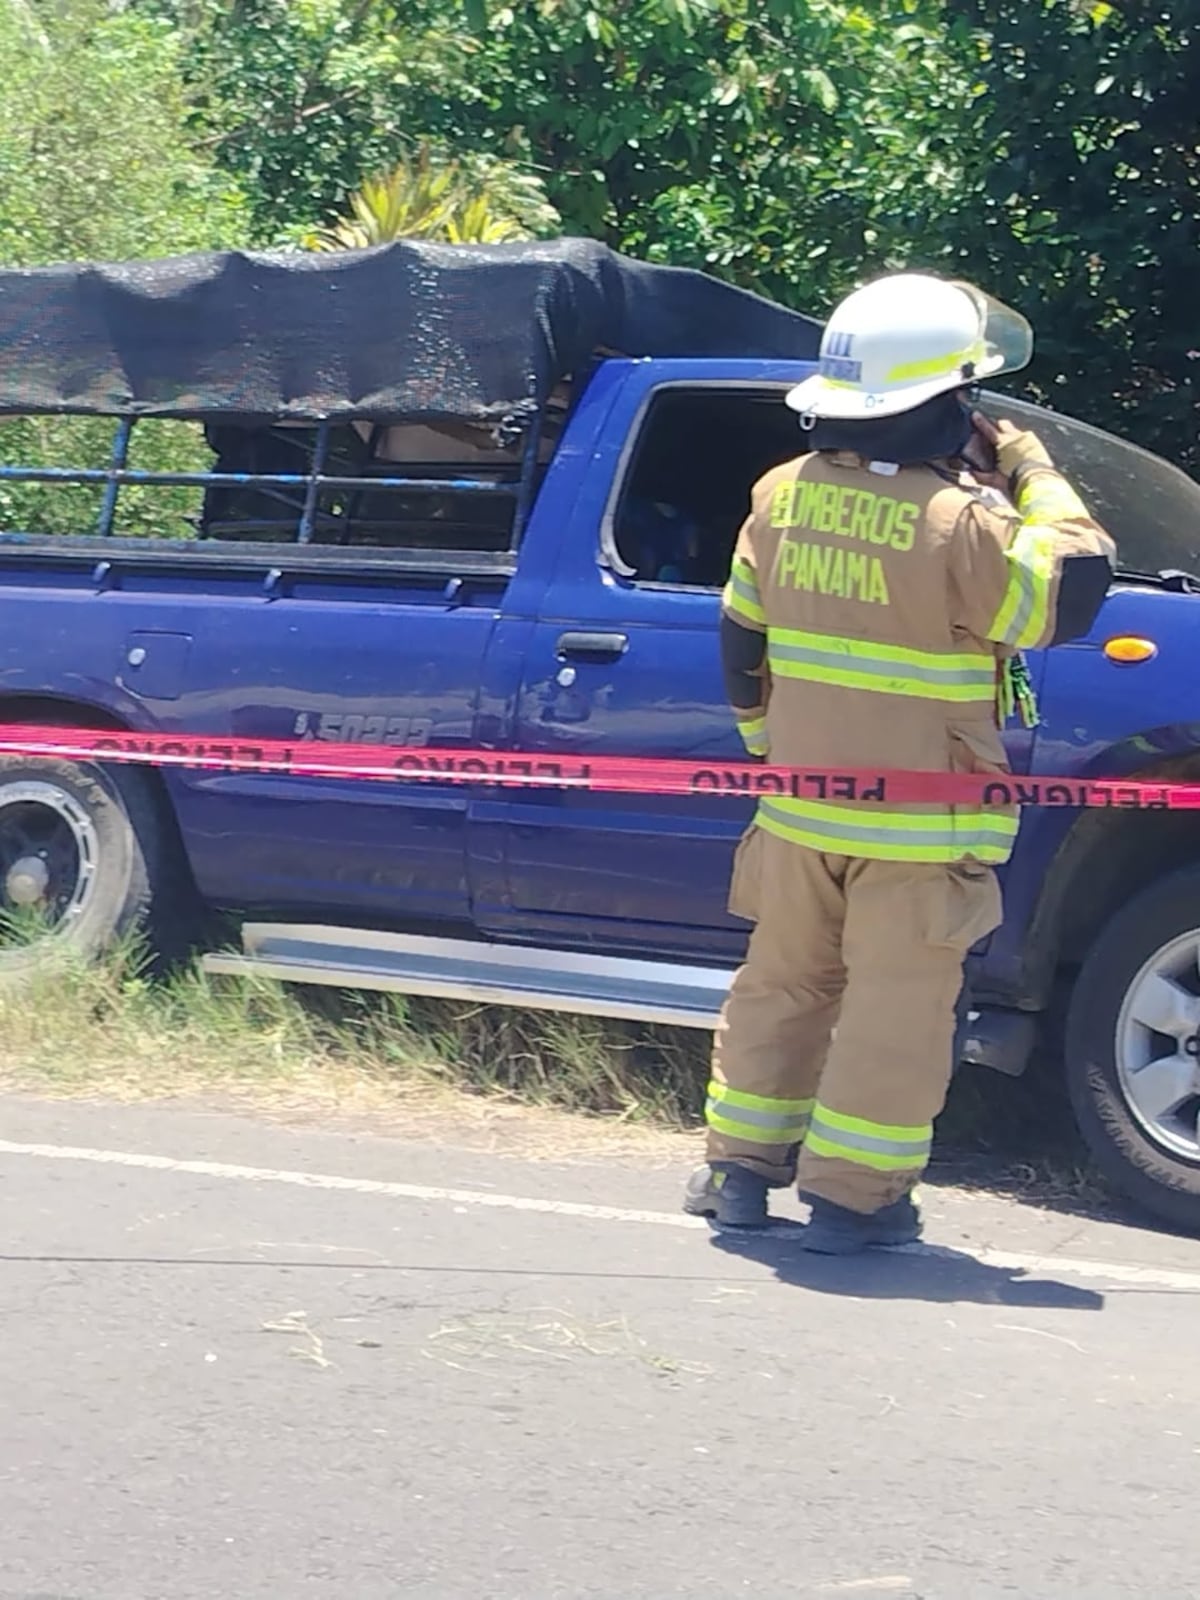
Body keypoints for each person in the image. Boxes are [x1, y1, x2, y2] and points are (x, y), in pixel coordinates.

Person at [684, 272, 1116, 1254]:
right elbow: (1078, 581)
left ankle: (737, 1175)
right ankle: (855, 1200)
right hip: (918, 833)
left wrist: (768, 750)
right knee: (895, 1012)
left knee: (780, 984)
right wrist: (1030, 465)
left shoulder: (779, 496)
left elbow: (740, 635)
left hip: (798, 813)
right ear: (942, 405)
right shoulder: (962, 525)